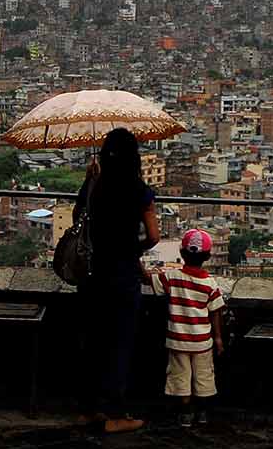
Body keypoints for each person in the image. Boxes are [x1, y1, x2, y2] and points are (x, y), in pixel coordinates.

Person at [73, 126, 160, 433]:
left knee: (92, 342)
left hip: (93, 274)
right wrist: (131, 250)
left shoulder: (94, 184)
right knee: (119, 344)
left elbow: (77, 221)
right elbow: (153, 237)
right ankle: (115, 414)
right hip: (121, 277)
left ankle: (87, 410)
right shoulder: (138, 190)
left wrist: (90, 178)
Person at [145, 227, 227, 427]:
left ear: (181, 253)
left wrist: (136, 259)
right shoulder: (210, 283)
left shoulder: (172, 277)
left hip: (178, 340)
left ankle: (185, 414)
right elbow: (216, 311)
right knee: (204, 377)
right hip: (202, 341)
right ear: (208, 256)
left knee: (180, 377)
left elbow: (148, 279)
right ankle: (203, 413)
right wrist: (218, 338)